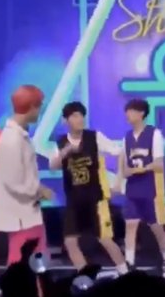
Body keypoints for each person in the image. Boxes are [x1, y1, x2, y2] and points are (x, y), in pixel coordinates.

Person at [49, 101, 128, 274]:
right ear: (66, 120)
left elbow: (119, 152)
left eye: (81, 116)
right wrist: (65, 152)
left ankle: (125, 273)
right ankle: (85, 276)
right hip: (73, 201)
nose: (80, 119)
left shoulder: (94, 137)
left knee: (105, 239)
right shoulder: (61, 142)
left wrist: (118, 182)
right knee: (70, 242)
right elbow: (53, 166)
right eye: (75, 116)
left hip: (95, 199)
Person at [0, 85, 53, 265]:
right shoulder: (12, 139)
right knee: (23, 262)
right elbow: (13, 181)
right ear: (32, 106)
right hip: (21, 217)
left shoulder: (19, 136)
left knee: (36, 261)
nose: (40, 111)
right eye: (39, 106)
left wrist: (38, 189)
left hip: (28, 214)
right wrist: (38, 190)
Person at [114, 98, 165, 277]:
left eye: (131, 111)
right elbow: (124, 167)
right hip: (133, 189)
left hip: (150, 189)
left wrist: (143, 169)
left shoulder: (154, 134)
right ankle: (129, 262)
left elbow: (159, 164)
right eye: (127, 111)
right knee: (130, 225)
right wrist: (122, 177)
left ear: (141, 113)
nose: (128, 115)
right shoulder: (127, 137)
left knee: (157, 228)